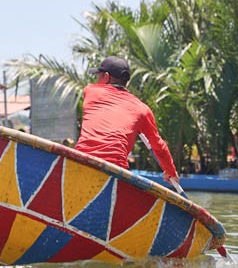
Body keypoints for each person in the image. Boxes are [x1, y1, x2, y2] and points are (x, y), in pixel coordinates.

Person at [75, 56, 179, 184]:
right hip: (116, 172)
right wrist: (171, 172)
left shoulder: (90, 91)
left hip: (80, 163)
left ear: (106, 77)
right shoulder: (142, 109)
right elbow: (158, 146)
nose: (97, 80)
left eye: (99, 76)